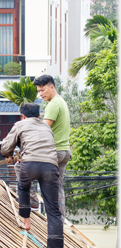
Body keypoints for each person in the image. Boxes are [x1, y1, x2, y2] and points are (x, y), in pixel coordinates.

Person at [0, 103, 63, 248]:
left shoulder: (20, 124)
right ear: (39, 116)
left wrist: (7, 153)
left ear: (23, 116)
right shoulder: (47, 128)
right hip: (50, 166)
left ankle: (26, 222)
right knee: (53, 209)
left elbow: (6, 147)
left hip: (30, 164)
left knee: (23, 187)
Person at [33, 75, 71, 219]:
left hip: (54, 152)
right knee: (57, 187)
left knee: (25, 170)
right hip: (64, 151)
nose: (40, 94)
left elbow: (42, 131)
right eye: (39, 91)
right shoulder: (61, 101)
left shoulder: (53, 104)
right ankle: (58, 219)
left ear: (52, 87)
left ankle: (32, 205)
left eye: (43, 90)